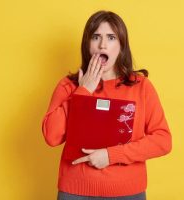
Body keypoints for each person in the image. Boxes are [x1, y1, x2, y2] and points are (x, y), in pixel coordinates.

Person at [41, 10, 172, 200]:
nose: (102, 44)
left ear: (121, 46)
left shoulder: (141, 87)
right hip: (75, 191)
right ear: (87, 45)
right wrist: (83, 91)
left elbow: (163, 141)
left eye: (111, 37)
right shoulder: (69, 86)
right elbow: (51, 137)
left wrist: (111, 155)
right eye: (96, 37)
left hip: (127, 192)